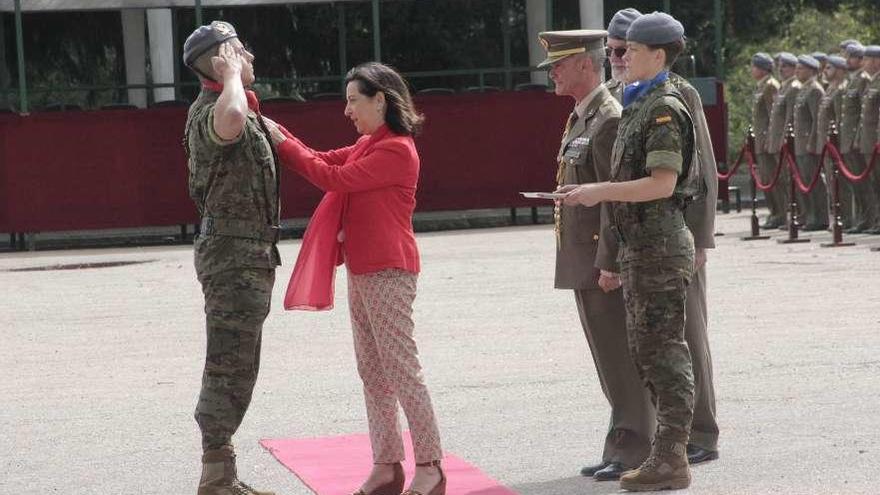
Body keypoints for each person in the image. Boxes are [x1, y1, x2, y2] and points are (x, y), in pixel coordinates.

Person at [264, 62, 446, 495]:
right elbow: (326, 159)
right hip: (366, 269)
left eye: (353, 100)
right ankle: (387, 466)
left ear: (380, 100)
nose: (347, 110)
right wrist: (280, 134)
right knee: (373, 373)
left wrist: (281, 144)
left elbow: (332, 177)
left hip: (388, 269)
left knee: (402, 371)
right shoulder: (371, 143)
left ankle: (430, 465)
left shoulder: (396, 149)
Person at [560, 11, 698, 491]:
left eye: (630, 51)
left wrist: (601, 192)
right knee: (646, 352)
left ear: (658, 55)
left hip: (659, 248)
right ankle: (663, 452)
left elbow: (662, 184)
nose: (620, 58)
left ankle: (673, 456)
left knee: (665, 355)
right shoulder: (638, 104)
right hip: (640, 248)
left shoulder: (663, 107)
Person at [599, 8, 721, 472]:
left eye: (624, 49)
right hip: (638, 238)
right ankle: (665, 438)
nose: (618, 58)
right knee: (650, 341)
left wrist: (702, 236)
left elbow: (701, 170)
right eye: (613, 50)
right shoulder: (625, 95)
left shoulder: (676, 94)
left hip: (675, 232)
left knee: (684, 335)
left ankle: (701, 432)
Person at [537, 28, 641, 482]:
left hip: (602, 261)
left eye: (559, 63)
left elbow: (616, 199)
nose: (552, 73)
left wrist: (610, 261)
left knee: (620, 354)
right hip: (584, 258)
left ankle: (635, 446)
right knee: (607, 356)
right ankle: (620, 441)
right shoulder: (583, 116)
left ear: (585, 63)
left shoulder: (609, 117)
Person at [182, 21, 281, 495]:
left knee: (241, 363)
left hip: (248, 255)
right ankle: (215, 474)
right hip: (232, 258)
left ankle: (221, 473)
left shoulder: (234, 103)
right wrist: (233, 76)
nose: (251, 57)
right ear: (221, 61)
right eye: (241, 50)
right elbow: (232, 121)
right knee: (228, 362)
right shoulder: (212, 109)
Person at [839, 42, 877, 233]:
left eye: (869, 59)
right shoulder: (864, 81)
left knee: (873, 182)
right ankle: (866, 218)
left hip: (872, 140)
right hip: (862, 139)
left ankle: (873, 219)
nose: (866, 62)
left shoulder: (866, 81)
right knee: (861, 183)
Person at [792, 55, 828, 231]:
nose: (797, 71)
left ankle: (820, 217)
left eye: (801, 68)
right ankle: (810, 215)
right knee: (805, 182)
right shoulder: (804, 89)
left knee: (814, 182)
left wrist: (813, 142)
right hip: (800, 143)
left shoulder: (815, 90)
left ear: (811, 70)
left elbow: (817, 120)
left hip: (808, 144)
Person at [767, 52, 801, 229]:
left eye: (786, 66)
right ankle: (792, 215)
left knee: (791, 179)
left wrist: (783, 139)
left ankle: (797, 215)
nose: (781, 69)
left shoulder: (794, 87)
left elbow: (789, 117)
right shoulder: (784, 86)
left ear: (795, 68)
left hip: (787, 140)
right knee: (781, 179)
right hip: (778, 140)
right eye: (780, 66)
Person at [816, 55, 851, 227]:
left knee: (842, 183)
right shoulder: (830, 88)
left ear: (839, 70)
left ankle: (846, 217)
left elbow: (838, 118)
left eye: (829, 68)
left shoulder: (841, 89)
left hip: (836, 143)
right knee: (832, 181)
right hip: (828, 144)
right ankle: (838, 215)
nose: (825, 71)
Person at [751, 53, 782, 227]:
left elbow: (773, 115)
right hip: (761, 141)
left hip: (767, 141)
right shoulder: (761, 86)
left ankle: (780, 212)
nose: (752, 70)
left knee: (774, 178)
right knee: (765, 178)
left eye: (755, 66)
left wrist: (770, 138)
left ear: (763, 68)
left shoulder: (770, 85)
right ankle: (774, 212)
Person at [858, 46, 880, 234]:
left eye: (866, 59)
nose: (863, 63)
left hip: (876, 142)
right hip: (869, 142)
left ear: (876, 61)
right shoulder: (872, 83)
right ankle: (876, 221)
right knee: (874, 183)